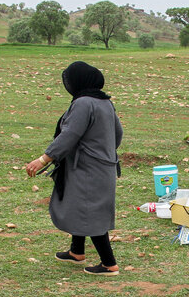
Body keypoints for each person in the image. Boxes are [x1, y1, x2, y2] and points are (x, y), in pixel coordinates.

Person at [25, 61, 123, 276]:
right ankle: (77, 251)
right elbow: (118, 134)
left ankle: (109, 264)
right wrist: (103, 153)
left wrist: (43, 159)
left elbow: (69, 134)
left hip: (87, 168)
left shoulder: (83, 103)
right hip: (101, 167)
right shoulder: (105, 102)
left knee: (91, 211)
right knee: (80, 205)